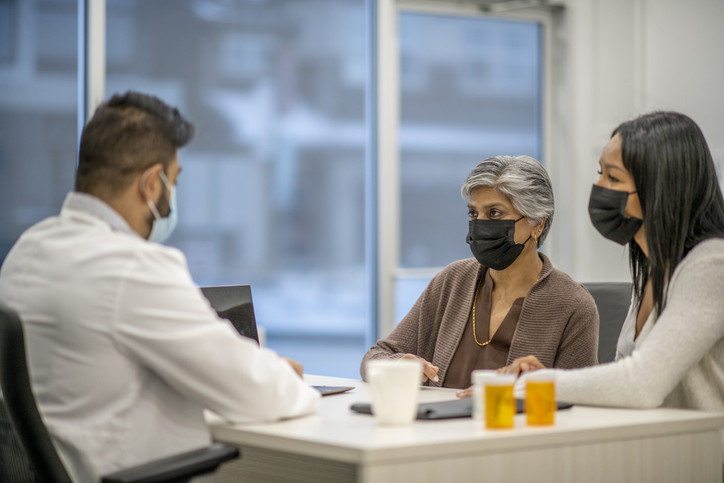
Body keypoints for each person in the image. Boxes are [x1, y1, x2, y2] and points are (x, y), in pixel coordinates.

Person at [0, 91, 320, 481]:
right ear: (151, 184)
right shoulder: (131, 268)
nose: (172, 196)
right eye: (174, 181)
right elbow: (262, 394)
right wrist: (279, 372)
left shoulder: (28, 250)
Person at [493, 112, 724, 426]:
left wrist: (538, 384)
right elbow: (624, 379)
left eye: (613, 178)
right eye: (600, 174)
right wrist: (547, 379)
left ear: (661, 187)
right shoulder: (653, 270)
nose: (599, 187)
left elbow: (641, 384)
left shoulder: (711, 265)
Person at [360, 155, 599, 388]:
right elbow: (374, 358)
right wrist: (398, 364)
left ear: (538, 223)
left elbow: (581, 400)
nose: (480, 224)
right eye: (474, 214)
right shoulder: (453, 281)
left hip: (514, 427)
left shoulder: (573, 304)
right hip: (437, 427)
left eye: (495, 213)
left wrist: (520, 392)